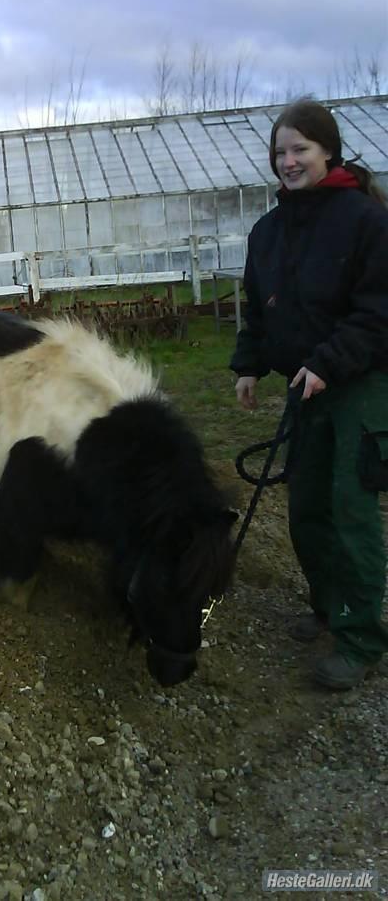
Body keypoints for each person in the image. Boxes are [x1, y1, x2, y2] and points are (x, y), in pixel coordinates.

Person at [230, 97, 388, 690]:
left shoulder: (365, 221)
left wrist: (328, 361)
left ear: (329, 151)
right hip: (307, 386)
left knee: (349, 513)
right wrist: (248, 364)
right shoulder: (268, 232)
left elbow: (377, 313)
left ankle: (360, 636)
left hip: (360, 384)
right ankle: (327, 606)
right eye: (280, 152)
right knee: (306, 512)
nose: (289, 161)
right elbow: (260, 307)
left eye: (301, 149)